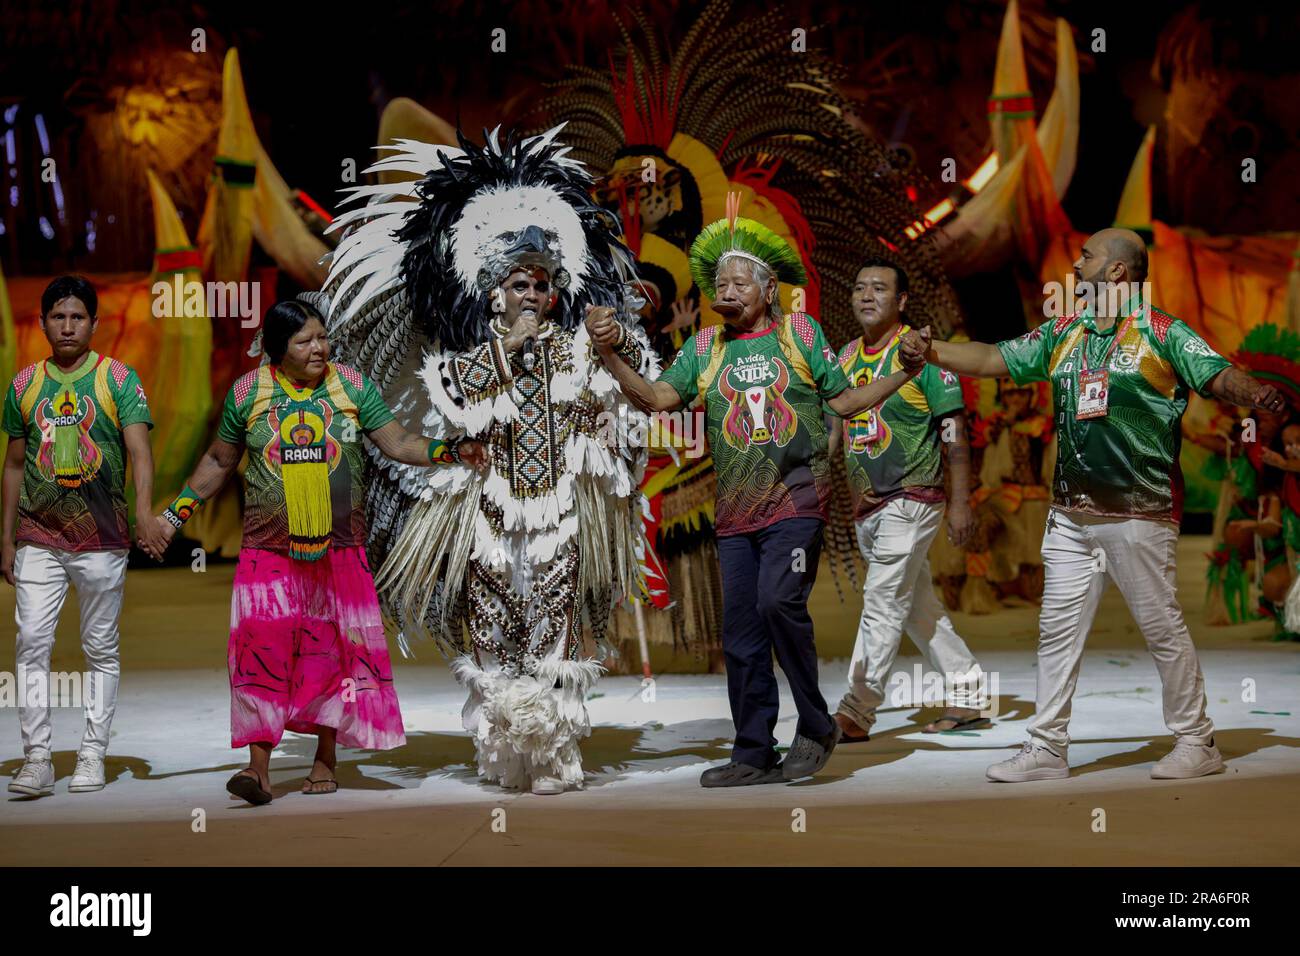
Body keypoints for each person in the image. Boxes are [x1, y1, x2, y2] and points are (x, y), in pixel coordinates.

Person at [319, 128, 656, 796]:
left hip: (559, 515)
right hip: (490, 521)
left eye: (540, 284)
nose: (530, 294)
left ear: (555, 292)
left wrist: (617, 351)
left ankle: (556, 755)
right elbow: (457, 393)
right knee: (497, 636)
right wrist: (513, 349)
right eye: (517, 284)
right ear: (493, 292)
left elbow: (637, 390)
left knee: (554, 634)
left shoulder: (575, 351)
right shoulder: (465, 362)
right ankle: (505, 755)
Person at [903, 228, 1287, 781]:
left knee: (1162, 629)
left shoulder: (1163, 333)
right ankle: (1046, 747)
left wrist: (1253, 393)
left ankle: (1196, 742)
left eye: (1087, 255)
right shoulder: (1066, 332)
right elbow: (992, 358)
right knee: (1056, 631)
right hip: (1069, 516)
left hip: (1137, 512)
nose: (1075, 262)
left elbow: (1216, 374)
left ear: (1117, 273)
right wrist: (931, 351)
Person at [591, 207, 926, 787]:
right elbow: (655, 398)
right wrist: (609, 353)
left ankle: (816, 724)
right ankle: (751, 751)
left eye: (740, 282)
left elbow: (844, 404)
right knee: (741, 636)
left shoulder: (801, 334)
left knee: (778, 604)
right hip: (734, 517)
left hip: (796, 506)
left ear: (770, 290)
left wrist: (904, 371)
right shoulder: (704, 347)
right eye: (719, 283)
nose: (726, 291)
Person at [141, 299, 485, 805]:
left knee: (332, 654)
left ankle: (326, 757)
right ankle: (257, 768)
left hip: (339, 551)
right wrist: (173, 518)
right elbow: (219, 459)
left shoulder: (349, 385)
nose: (319, 348)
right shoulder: (249, 393)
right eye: (304, 341)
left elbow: (396, 442)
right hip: (267, 552)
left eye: (322, 337)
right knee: (259, 652)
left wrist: (450, 450)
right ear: (278, 351)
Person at [3, 276, 164, 796]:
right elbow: (13, 464)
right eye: (57, 316)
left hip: (103, 537)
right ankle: (37, 758)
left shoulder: (118, 379)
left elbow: (140, 453)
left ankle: (93, 754)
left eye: (77, 317)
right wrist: (6, 539)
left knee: (100, 647)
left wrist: (142, 514)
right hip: (37, 535)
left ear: (95, 323)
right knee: (31, 644)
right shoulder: (24, 384)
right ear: (43, 322)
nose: (67, 326)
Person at [827, 259, 987, 743]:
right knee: (916, 607)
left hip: (913, 497)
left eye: (879, 288)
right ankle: (968, 693)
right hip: (867, 504)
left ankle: (857, 709)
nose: (866, 295)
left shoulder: (922, 354)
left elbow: (955, 431)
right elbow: (834, 426)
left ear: (901, 302)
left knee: (881, 600)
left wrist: (959, 503)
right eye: (859, 287)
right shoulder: (844, 357)